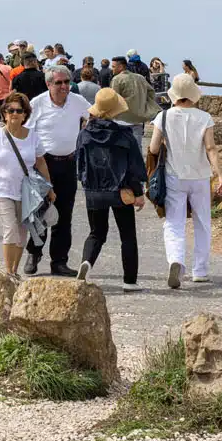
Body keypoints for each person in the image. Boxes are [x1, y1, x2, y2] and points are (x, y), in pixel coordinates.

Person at [150, 73, 222, 289]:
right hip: (200, 176)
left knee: (174, 223)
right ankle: (200, 271)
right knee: (203, 222)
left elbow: (154, 148)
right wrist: (220, 175)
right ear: (192, 94)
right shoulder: (204, 117)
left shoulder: (163, 117)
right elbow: (210, 148)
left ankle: (177, 261)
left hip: (174, 176)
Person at [76, 88, 148, 292]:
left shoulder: (85, 134)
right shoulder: (124, 135)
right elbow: (134, 167)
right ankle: (130, 281)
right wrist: (139, 193)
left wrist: (87, 184)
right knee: (127, 235)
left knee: (96, 233)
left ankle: (87, 262)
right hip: (121, 190)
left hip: (94, 190)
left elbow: (80, 164)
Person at [0, 91, 54, 279]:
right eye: (10, 110)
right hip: (2, 190)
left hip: (26, 192)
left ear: (25, 115)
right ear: (4, 113)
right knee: (10, 229)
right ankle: (8, 272)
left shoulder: (33, 137)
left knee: (22, 234)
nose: (14, 114)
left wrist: (50, 187)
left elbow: (41, 163)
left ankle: (14, 271)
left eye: (18, 111)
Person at [25, 64, 91, 276]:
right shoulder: (38, 104)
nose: (64, 86)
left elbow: (94, 115)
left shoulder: (77, 101)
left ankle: (59, 261)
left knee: (64, 215)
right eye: (59, 83)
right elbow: (27, 133)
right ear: (48, 84)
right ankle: (34, 253)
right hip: (44, 165)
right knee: (41, 212)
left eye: (67, 82)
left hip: (69, 164)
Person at [110, 56, 159, 144]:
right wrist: (144, 106)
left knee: (122, 149)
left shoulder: (117, 79)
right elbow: (151, 92)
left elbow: (114, 99)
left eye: (113, 66)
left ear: (120, 67)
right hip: (138, 118)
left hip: (121, 119)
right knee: (137, 147)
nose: (111, 69)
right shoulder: (140, 78)